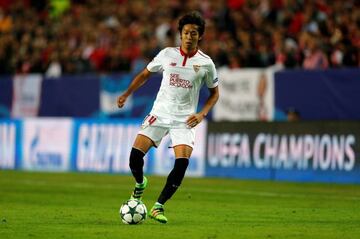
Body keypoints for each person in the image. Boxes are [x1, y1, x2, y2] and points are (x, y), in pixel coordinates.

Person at [117, 11, 219, 224]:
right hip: (159, 114)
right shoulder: (166, 54)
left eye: (194, 33)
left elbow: (215, 93)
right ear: (180, 34)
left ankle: (158, 206)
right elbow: (146, 74)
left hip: (185, 119)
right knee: (135, 158)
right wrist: (127, 93)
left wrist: (202, 114)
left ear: (200, 36)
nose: (189, 36)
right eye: (186, 32)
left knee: (182, 162)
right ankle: (139, 183)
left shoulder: (206, 63)